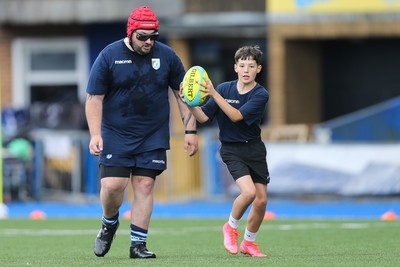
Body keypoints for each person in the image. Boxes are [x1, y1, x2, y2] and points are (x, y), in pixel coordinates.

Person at [85, 6, 198, 259]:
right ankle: (109, 223)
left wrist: (190, 129)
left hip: (153, 134)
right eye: (143, 37)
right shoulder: (109, 55)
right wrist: (95, 134)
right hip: (115, 133)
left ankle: (138, 245)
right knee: (114, 185)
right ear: (131, 32)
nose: (149, 41)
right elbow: (94, 98)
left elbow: (183, 95)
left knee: (145, 185)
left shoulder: (167, 56)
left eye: (153, 37)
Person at [181, 45, 270, 257]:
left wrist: (213, 93)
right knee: (248, 193)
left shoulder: (260, 94)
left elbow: (237, 116)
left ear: (258, 69)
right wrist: (190, 104)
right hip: (231, 150)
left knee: (261, 201)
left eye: (251, 65)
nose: (246, 69)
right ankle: (230, 226)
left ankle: (249, 243)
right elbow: (203, 117)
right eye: (242, 65)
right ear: (235, 67)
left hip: (255, 150)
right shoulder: (224, 89)